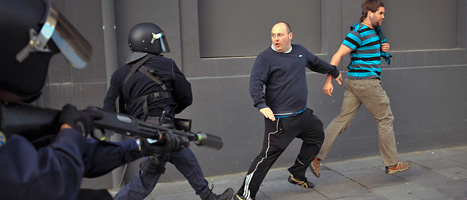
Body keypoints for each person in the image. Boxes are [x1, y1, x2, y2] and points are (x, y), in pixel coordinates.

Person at [0, 0, 185, 199]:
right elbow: (47, 183)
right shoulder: (166, 66)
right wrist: (71, 131)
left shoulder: (122, 72)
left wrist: (143, 145)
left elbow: (79, 157)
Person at [103, 22, 234, 200]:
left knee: (187, 160)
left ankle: (209, 196)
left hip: (150, 130)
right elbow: (186, 96)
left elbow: (110, 110)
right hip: (160, 130)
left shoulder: (119, 74)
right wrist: (170, 110)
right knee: (143, 183)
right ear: (148, 42)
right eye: (158, 39)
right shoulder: (166, 64)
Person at [234, 21, 343, 200]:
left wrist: (334, 71)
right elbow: (255, 83)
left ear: (290, 36)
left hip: (301, 115)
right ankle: (244, 195)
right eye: (273, 35)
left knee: (316, 134)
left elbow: (316, 63)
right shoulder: (265, 58)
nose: (276, 39)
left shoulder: (300, 51)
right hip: (280, 121)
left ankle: (297, 173)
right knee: (265, 159)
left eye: (280, 35)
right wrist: (261, 105)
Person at [309, 0, 411, 178]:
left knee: (342, 120)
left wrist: (381, 48)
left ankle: (314, 157)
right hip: (367, 83)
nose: (383, 17)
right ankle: (392, 164)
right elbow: (338, 55)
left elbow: (366, 52)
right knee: (385, 119)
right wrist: (328, 81)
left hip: (355, 83)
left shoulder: (373, 33)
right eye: (380, 13)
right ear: (369, 13)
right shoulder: (358, 32)